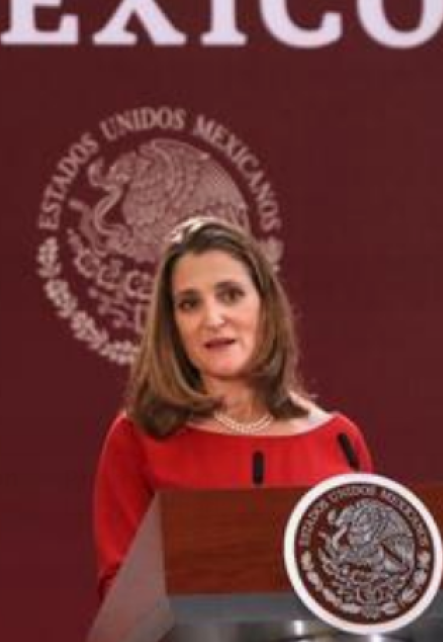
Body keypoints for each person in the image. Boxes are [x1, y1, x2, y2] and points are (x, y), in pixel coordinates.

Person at [92, 216, 373, 597]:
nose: (212, 319)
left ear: (265, 304)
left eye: (230, 295)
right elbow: (121, 602)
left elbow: (373, 588)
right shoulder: (140, 436)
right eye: (190, 304)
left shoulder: (339, 438)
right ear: (172, 324)